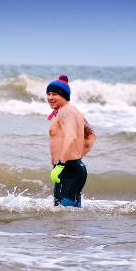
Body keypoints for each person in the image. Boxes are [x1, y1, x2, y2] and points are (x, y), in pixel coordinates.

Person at [46, 75, 97, 207]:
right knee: (71, 218)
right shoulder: (75, 112)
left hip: (67, 169)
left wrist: (61, 165)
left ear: (64, 96)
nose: (50, 97)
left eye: (55, 94)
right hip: (74, 168)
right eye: (48, 93)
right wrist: (77, 158)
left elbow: (71, 137)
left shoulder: (65, 112)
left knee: (63, 218)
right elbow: (91, 135)